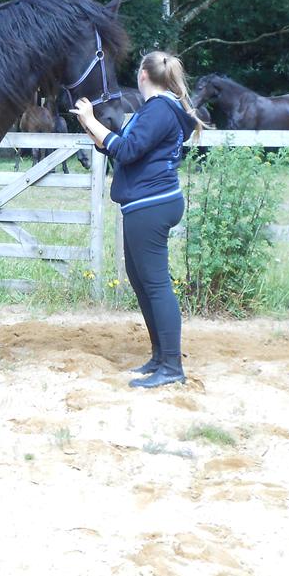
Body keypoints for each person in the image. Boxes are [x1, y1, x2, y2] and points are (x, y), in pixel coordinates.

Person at [70, 51, 203, 388]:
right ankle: (160, 357)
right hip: (147, 204)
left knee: (156, 284)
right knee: (142, 279)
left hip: (151, 205)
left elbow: (127, 150)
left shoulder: (159, 109)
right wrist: (89, 124)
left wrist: (92, 118)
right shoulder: (158, 109)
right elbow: (121, 147)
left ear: (144, 74)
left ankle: (172, 366)